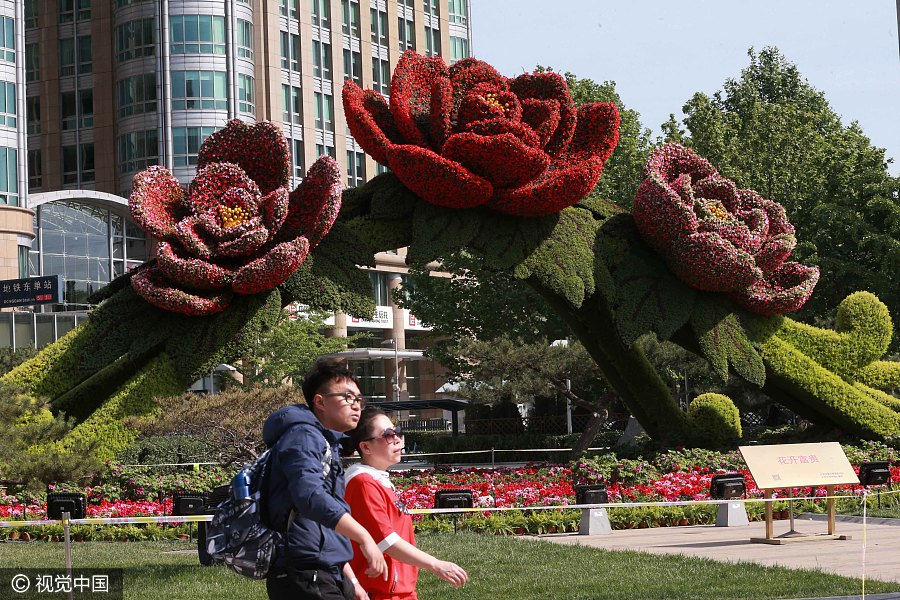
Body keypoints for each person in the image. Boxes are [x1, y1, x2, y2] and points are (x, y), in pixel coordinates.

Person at [262, 358, 388, 600]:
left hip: (323, 570)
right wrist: (364, 536)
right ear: (320, 402)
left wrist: (351, 581)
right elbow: (309, 496)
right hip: (302, 571)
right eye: (348, 397)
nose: (356, 406)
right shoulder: (303, 436)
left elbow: (324, 523)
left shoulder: (325, 442)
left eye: (359, 399)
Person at [343, 407, 469, 600]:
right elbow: (387, 542)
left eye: (397, 432)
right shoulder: (363, 483)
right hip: (379, 593)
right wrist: (436, 564)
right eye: (387, 435)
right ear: (365, 447)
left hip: (398, 591)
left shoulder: (378, 480)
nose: (397, 439)